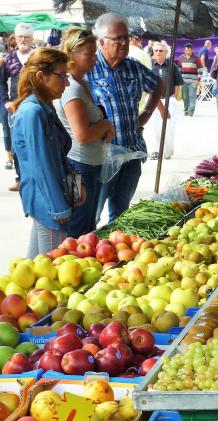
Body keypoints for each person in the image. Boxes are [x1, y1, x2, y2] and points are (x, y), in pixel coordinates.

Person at [87, 12, 164, 223]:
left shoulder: (133, 67)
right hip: (102, 157)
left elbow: (158, 85)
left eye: (126, 37)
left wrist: (147, 113)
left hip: (131, 152)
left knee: (120, 215)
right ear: (101, 41)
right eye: (117, 38)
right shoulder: (89, 70)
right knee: (91, 215)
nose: (123, 43)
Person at [11, 48, 87, 257]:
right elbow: (42, 166)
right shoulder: (33, 112)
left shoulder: (44, 107)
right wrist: (59, 208)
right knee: (51, 270)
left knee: (34, 267)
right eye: (62, 76)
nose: (67, 83)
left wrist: (75, 183)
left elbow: (58, 159)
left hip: (49, 200)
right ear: (40, 77)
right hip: (48, 203)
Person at [55, 28, 115, 237]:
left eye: (94, 52)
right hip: (79, 166)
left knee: (88, 225)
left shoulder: (82, 83)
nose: (94, 57)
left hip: (89, 164)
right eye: (88, 53)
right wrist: (106, 125)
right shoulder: (72, 88)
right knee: (79, 226)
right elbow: (81, 134)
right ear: (72, 55)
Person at [0, 23, 34, 191]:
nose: (23, 39)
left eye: (26, 36)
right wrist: (5, 100)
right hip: (15, 108)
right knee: (17, 145)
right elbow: (1, 82)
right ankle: (21, 179)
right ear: (16, 37)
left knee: (36, 142)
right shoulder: (9, 59)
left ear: (31, 38)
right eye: (20, 36)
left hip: (37, 106)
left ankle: (36, 178)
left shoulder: (38, 56)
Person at [145, 41, 184, 160]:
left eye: (160, 51)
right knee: (156, 127)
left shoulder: (172, 66)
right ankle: (157, 150)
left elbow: (177, 83)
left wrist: (174, 98)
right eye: (155, 50)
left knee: (169, 127)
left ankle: (168, 151)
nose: (158, 53)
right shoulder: (150, 65)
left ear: (166, 52)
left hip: (169, 100)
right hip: (153, 100)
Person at [177, 44, 202, 116]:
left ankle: (191, 111)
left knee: (192, 96)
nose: (187, 51)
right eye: (186, 50)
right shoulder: (181, 57)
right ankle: (186, 110)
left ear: (192, 50)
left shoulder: (196, 58)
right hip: (183, 81)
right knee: (185, 96)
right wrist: (179, 80)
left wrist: (198, 80)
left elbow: (200, 70)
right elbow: (179, 69)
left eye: (189, 50)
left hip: (193, 81)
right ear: (184, 50)